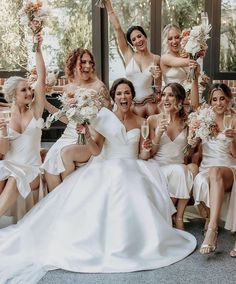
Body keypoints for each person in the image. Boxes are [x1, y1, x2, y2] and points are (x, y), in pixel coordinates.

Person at [0, 78, 196, 282]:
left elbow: (144, 156)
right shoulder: (105, 119)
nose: (123, 97)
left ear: (132, 96)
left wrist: (147, 148)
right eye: (119, 93)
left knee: (136, 192)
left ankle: (136, 243)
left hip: (133, 166)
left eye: (127, 93)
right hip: (106, 165)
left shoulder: (141, 122)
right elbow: (96, 151)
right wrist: (88, 135)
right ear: (113, 97)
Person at [41, 48, 112, 191]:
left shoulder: (99, 87)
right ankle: (56, 205)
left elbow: (108, 119)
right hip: (69, 134)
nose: (87, 66)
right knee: (49, 164)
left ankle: (69, 198)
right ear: (73, 64)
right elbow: (69, 119)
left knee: (63, 155)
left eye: (90, 62)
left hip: (89, 135)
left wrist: (90, 132)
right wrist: (46, 103)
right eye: (83, 62)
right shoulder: (68, 88)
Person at [0, 33, 46, 218]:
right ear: (13, 95)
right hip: (9, 164)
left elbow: (41, 79)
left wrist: (38, 47)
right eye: (24, 90)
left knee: (14, 178)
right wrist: (2, 131)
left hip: (31, 170)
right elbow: (3, 151)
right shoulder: (4, 116)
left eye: (29, 88)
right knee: (7, 174)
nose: (29, 92)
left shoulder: (35, 110)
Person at [192, 83, 236, 254]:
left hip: (228, 168)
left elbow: (234, 155)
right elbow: (195, 145)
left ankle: (212, 230)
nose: (218, 103)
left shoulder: (233, 119)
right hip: (206, 168)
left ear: (229, 100)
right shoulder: (204, 118)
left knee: (215, 171)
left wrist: (233, 140)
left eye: (222, 99)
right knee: (208, 174)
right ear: (210, 102)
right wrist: (192, 137)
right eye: (214, 99)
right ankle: (211, 225)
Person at [148, 83, 199, 230]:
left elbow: (187, 155)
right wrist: (158, 134)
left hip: (178, 166)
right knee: (180, 171)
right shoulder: (153, 120)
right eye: (164, 95)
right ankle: (174, 216)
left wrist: (191, 144)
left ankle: (178, 217)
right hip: (158, 167)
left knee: (187, 169)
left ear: (180, 100)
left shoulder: (188, 122)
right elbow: (149, 153)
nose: (166, 98)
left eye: (171, 95)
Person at [103, 0, 161, 118]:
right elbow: (118, 28)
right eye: (133, 39)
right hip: (129, 104)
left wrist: (158, 77)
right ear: (131, 44)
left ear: (145, 36)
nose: (138, 40)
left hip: (150, 105)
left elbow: (158, 88)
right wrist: (108, 6)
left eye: (139, 36)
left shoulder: (156, 59)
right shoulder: (128, 54)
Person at [160, 24, 199, 109]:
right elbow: (183, 62)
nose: (174, 41)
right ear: (166, 41)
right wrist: (196, 51)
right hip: (172, 105)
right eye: (170, 39)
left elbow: (195, 76)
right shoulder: (165, 58)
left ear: (181, 38)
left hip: (188, 103)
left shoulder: (187, 56)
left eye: (177, 37)